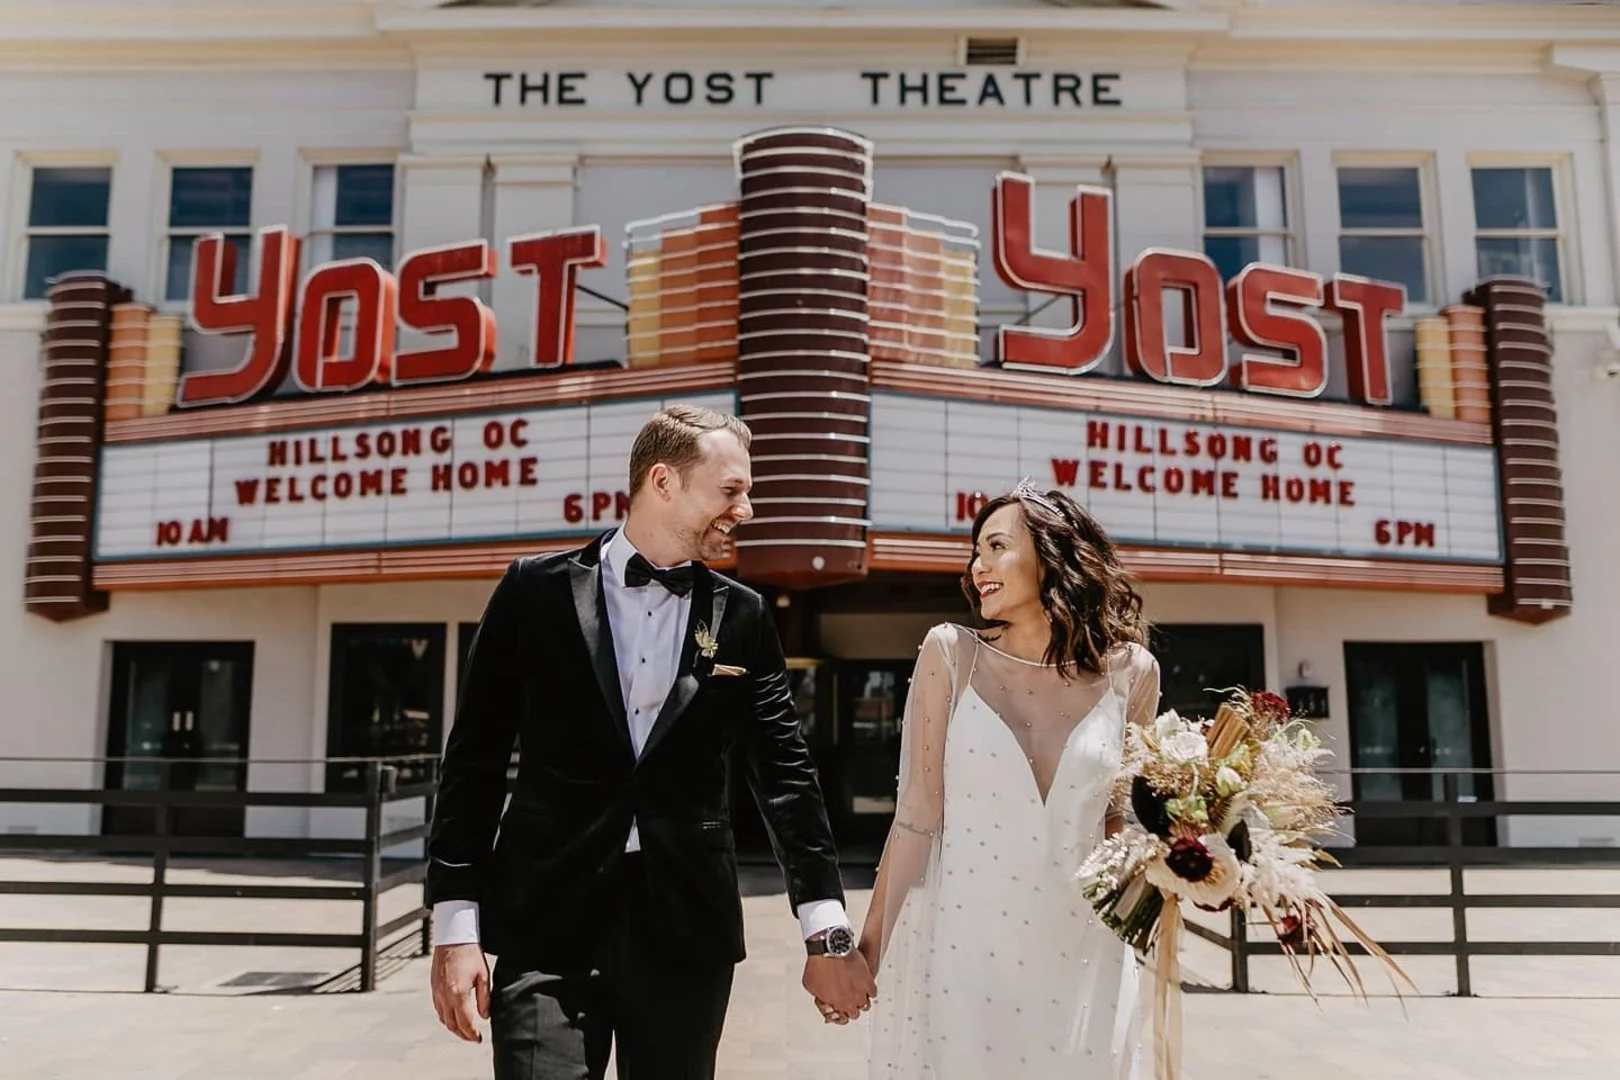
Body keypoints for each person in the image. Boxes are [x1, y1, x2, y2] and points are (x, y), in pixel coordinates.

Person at [426, 404, 876, 1079]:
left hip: (685, 929)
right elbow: (473, 766)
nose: (746, 510)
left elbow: (785, 776)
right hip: (547, 921)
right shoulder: (532, 593)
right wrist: (456, 930)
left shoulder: (744, 615)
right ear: (663, 483)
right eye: (732, 490)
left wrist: (826, 929)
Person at [851, 481, 1160, 1079]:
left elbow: (1123, 821)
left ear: (1052, 556)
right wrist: (868, 953)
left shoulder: (1132, 673)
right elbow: (916, 816)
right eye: (976, 551)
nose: (977, 567)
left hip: (1089, 953)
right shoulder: (951, 654)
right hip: (971, 952)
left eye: (996, 547)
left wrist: (1194, 859)